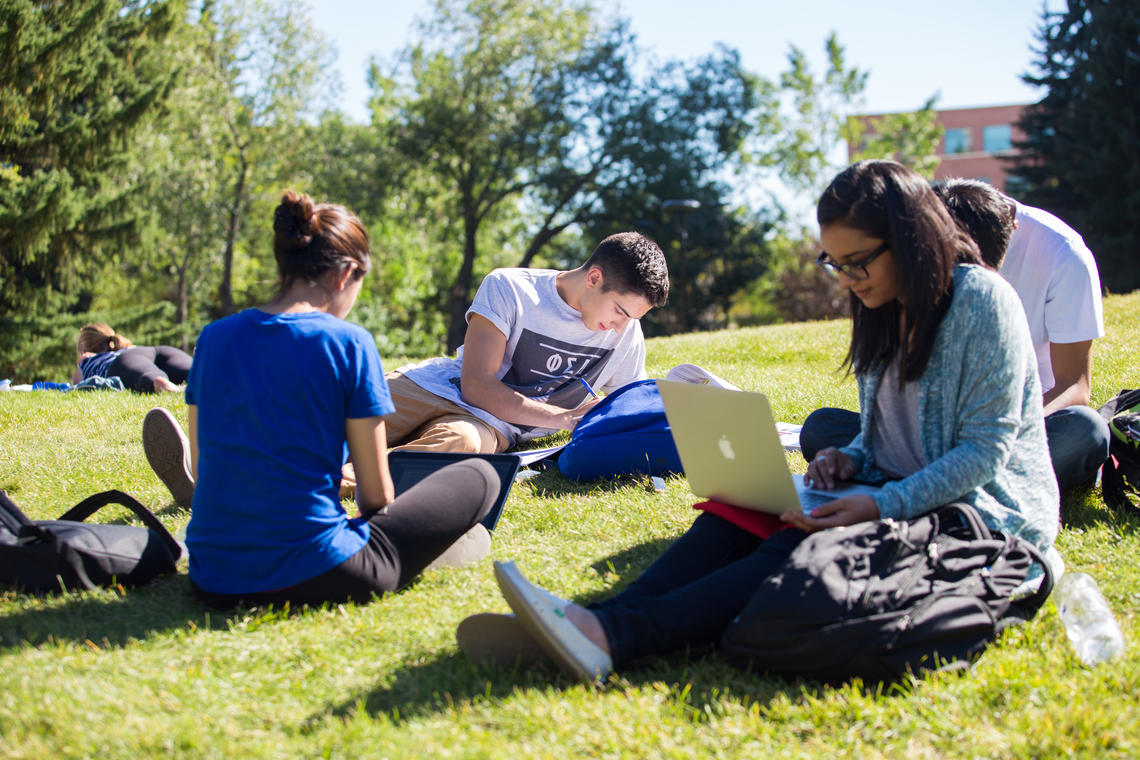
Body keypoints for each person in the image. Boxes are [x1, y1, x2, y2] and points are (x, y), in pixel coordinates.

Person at [458, 160, 1060, 682]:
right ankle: (597, 619)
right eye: (836, 263)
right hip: (895, 491)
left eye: (859, 262)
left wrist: (879, 503)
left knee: (800, 540)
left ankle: (614, 635)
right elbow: (884, 436)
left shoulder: (981, 302)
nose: (848, 280)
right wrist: (849, 461)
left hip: (982, 517)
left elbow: (985, 453)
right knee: (737, 516)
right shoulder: (880, 307)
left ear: (909, 238)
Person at [149, 190, 502, 608]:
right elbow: (375, 496)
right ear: (346, 273)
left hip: (212, 575)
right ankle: (430, 551)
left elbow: (207, 464)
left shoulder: (214, 338)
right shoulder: (348, 342)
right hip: (318, 573)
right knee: (482, 476)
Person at [801, 177, 1110, 491]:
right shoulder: (906, 264)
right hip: (933, 431)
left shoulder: (1062, 254)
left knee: (1084, 430)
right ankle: (962, 481)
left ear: (1009, 230)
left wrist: (1008, 430)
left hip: (1021, 425)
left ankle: (941, 480)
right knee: (821, 428)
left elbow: (1075, 385)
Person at [381, 232, 669, 454]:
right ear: (594, 278)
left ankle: (352, 478)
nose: (621, 329)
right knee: (345, 415)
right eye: (619, 311)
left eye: (631, 318)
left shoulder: (627, 333)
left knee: (461, 444)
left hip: (486, 424)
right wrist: (565, 417)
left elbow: (631, 406)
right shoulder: (510, 287)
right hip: (431, 387)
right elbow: (477, 386)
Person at [70, 323, 192, 393]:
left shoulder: (87, 361)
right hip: (157, 350)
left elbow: (75, 384)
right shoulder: (126, 348)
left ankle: (173, 389)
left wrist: (81, 363)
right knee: (197, 373)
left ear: (83, 350)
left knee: (155, 380)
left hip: (128, 360)